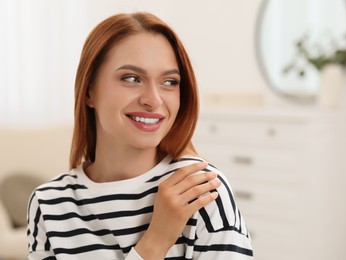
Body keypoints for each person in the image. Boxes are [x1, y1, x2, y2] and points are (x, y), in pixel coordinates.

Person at [27, 12, 253, 259]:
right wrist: (155, 243)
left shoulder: (202, 192)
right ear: (89, 90)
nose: (154, 100)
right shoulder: (48, 204)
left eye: (169, 82)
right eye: (132, 78)